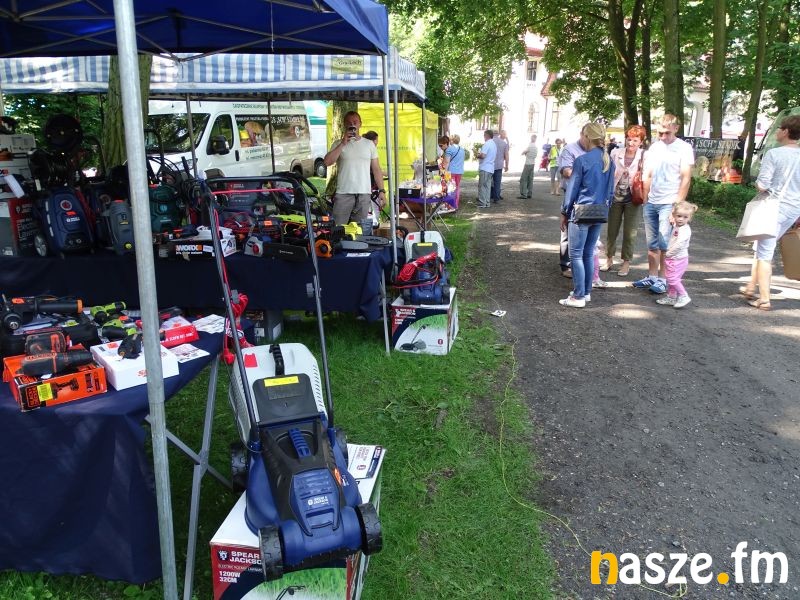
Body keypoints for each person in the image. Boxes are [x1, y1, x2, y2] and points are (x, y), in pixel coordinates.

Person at [740, 114, 800, 310]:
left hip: (774, 207)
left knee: (765, 252)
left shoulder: (774, 154)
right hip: (793, 209)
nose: (777, 132)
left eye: (780, 128)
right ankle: (750, 287)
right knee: (761, 246)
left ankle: (765, 299)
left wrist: (759, 184)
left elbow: (762, 185)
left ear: (786, 131)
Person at [633, 113, 695, 294]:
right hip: (652, 201)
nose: (663, 136)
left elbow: (686, 178)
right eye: (660, 133)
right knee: (652, 244)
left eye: (667, 133)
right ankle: (652, 276)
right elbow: (648, 173)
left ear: (676, 128)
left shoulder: (684, 148)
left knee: (665, 243)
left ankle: (663, 279)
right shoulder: (655, 147)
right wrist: (645, 198)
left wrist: (677, 206)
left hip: (669, 202)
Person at [558, 123, 615, 308]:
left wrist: (564, 212)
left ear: (587, 137)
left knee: (576, 255)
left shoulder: (582, 161)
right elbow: (610, 191)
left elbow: (572, 190)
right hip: (599, 212)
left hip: (581, 212)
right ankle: (586, 292)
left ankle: (578, 296)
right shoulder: (608, 160)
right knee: (588, 253)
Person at [323, 111, 384, 225]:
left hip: (364, 193)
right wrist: (343, 143)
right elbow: (327, 162)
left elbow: (376, 169)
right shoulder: (338, 144)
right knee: (339, 229)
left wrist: (382, 191)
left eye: (355, 122)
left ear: (360, 124)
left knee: (359, 230)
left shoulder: (369, 144)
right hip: (343, 193)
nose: (352, 125)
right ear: (344, 125)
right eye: (349, 122)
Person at [603, 124, 647, 277]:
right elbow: (607, 172)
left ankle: (626, 263)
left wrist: (646, 196)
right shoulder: (616, 153)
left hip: (633, 198)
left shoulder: (644, 155)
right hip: (615, 196)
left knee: (630, 232)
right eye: (629, 139)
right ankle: (609, 259)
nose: (631, 143)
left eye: (635, 140)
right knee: (612, 230)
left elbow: (648, 176)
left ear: (641, 142)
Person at [557, 130, 590, 277]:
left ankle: (582, 264)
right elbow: (566, 171)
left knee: (586, 228)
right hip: (572, 193)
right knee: (567, 227)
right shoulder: (570, 149)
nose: (588, 139)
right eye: (586, 136)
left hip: (589, 196)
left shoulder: (595, 150)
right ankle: (566, 264)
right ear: (581, 135)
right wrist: (589, 174)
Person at [655, 201, 697, 309]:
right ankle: (671, 297)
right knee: (671, 278)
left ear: (689, 218)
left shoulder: (684, 230)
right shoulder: (677, 226)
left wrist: (668, 254)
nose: (681, 219)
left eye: (685, 217)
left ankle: (683, 296)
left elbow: (679, 245)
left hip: (677, 259)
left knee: (672, 278)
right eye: (679, 216)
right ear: (674, 215)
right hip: (674, 258)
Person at [362, 130, 387, 211]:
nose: (377, 142)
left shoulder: (369, 150)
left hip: (371, 185)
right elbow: (373, 169)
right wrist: (383, 173)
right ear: (373, 140)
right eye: (377, 140)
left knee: (374, 208)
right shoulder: (368, 150)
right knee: (372, 209)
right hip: (369, 185)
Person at [441, 134, 465, 209]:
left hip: (450, 172)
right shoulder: (462, 150)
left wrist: (444, 171)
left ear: (452, 140)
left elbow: (447, 162)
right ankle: (455, 204)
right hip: (459, 171)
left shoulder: (449, 149)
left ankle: (450, 205)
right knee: (457, 187)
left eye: (450, 140)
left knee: (450, 187)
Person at [476, 130, 497, 209]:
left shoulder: (487, 144)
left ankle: (482, 202)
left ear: (487, 135)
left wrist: (478, 155)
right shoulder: (494, 144)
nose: (483, 137)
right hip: (491, 168)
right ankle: (487, 202)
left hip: (485, 167)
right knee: (488, 186)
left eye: (484, 135)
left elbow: (483, 156)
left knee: (482, 186)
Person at [518, 134, 538, 199]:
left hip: (528, 164)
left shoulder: (530, 146)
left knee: (523, 179)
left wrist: (525, 153)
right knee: (530, 179)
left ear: (531, 138)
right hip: (533, 163)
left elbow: (523, 153)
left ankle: (524, 194)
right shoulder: (536, 147)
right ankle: (529, 193)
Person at [491, 129, 509, 203]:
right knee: (497, 182)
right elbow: (506, 155)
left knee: (488, 181)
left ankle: (488, 196)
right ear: (498, 134)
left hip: (490, 164)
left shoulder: (490, 142)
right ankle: (496, 198)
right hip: (499, 165)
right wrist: (507, 165)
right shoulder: (504, 143)